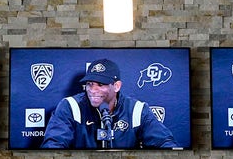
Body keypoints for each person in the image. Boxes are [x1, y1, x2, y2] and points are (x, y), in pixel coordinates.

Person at [41, 58, 179, 149]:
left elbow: (164, 143)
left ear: (117, 86)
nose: (93, 90)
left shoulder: (136, 109)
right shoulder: (70, 106)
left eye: (101, 85)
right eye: (90, 84)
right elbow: (53, 145)